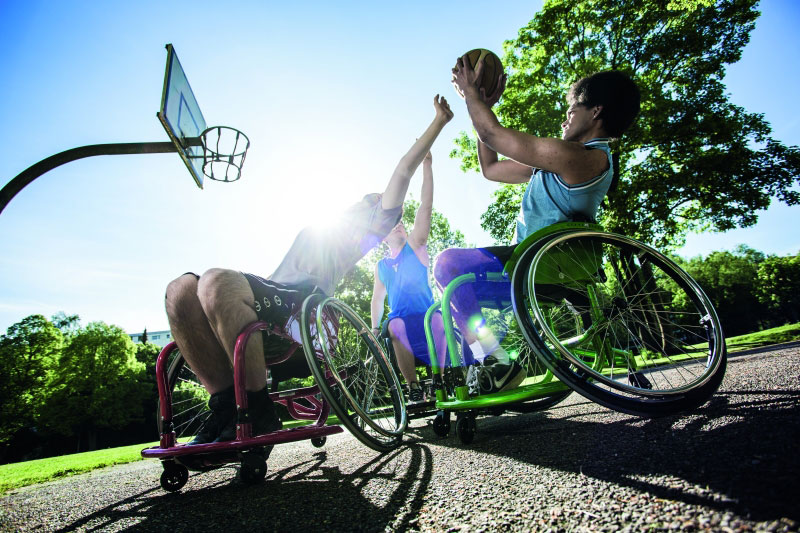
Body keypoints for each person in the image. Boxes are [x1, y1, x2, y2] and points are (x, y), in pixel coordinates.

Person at [165, 95, 454, 445]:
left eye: (378, 200)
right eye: (368, 198)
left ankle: (257, 412)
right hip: (270, 295)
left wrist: (437, 123)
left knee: (214, 280)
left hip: (303, 307)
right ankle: (225, 407)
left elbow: (402, 171)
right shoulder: (327, 226)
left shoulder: (367, 232)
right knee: (180, 290)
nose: (373, 199)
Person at [434, 57, 641, 395]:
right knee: (457, 288)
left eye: (572, 110)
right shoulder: (552, 166)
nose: (565, 118)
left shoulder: (585, 158)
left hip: (541, 266)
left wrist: (473, 96)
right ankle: (487, 360)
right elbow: (490, 168)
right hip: (534, 268)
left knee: (449, 264)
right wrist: (484, 106)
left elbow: (492, 132)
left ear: (596, 113)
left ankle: (492, 360)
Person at [370, 150, 446, 403]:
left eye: (400, 222)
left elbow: (426, 206)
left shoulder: (416, 248)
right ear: (383, 238)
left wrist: (427, 166)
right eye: (393, 226)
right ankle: (413, 387)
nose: (399, 225)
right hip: (401, 324)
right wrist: (373, 328)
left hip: (427, 318)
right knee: (394, 324)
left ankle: (440, 379)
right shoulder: (381, 265)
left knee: (437, 318)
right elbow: (377, 300)